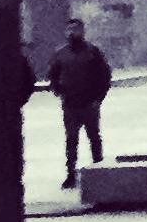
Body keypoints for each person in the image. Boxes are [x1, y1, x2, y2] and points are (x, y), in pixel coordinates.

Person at [45, 17, 114, 188]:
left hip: (89, 104)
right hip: (70, 105)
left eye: (75, 29)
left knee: (94, 138)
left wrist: (98, 99)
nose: (72, 33)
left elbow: (104, 76)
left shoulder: (92, 52)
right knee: (71, 141)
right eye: (69, 29)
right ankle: (70, 175)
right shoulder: (60, 54)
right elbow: (53, 75)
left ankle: (99, 171)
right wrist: (59, 92)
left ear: (82, 31)